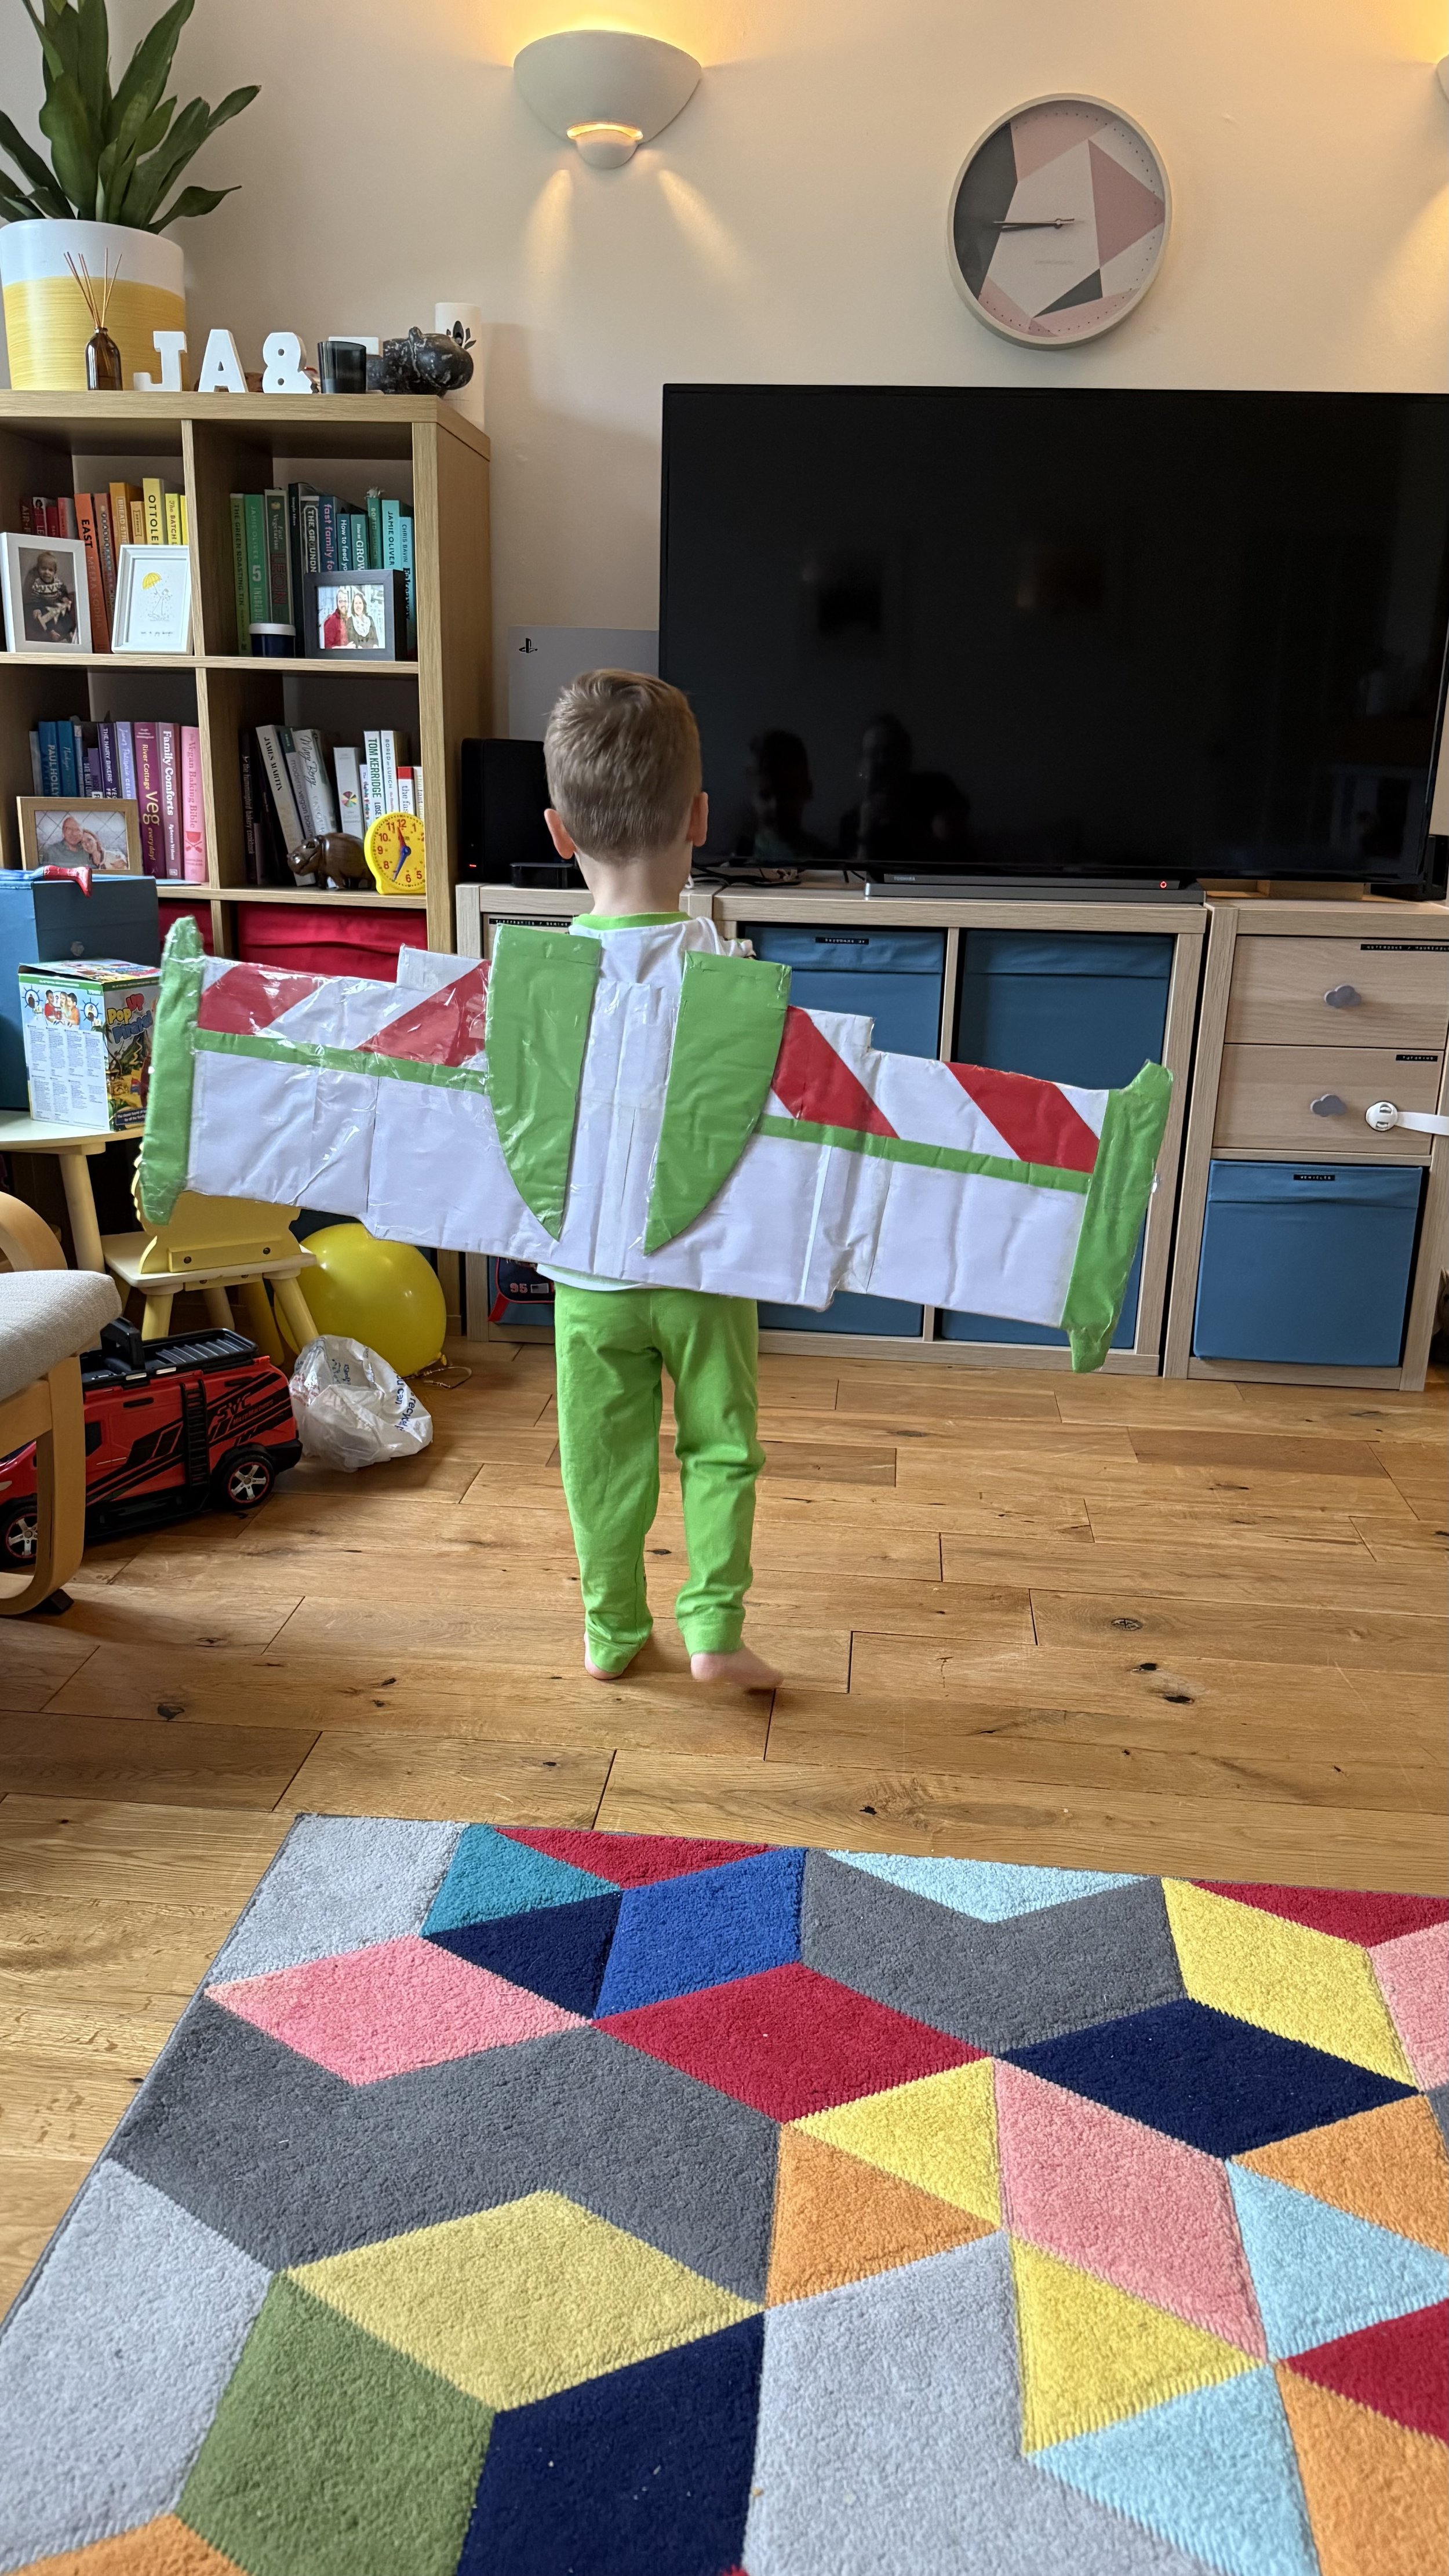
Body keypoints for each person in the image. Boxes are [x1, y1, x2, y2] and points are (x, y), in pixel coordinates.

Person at [538, 670, 781, 1691]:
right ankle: (715, 1633)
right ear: (700, 819)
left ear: (558, 832)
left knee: (601, 1461)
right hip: (704, 1264)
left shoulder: (535, 981)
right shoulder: (736, 978)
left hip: (586, 1277)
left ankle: (611, 1634)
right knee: (722, 1444)